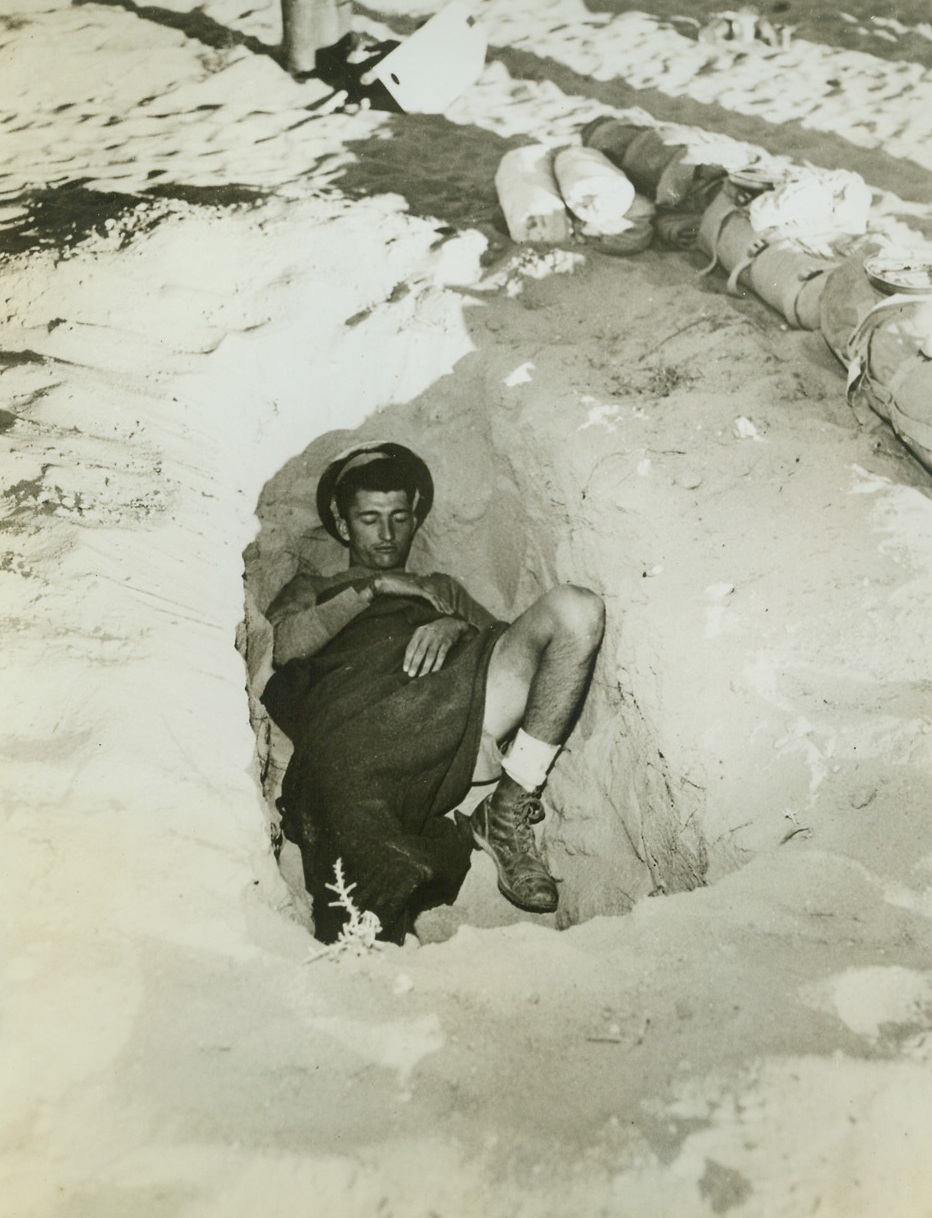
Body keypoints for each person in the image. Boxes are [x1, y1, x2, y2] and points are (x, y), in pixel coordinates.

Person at [261, 441, 605, 943]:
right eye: (370, 518)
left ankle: (507, 807)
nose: (387, 533)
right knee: (346, 820)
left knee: (577, 610)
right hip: (365, 725)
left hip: (455, 703)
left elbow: (517, 650)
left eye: (399, 517)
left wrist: (454, 626)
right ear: (342, 523)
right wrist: (376, 589)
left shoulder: (441, 587)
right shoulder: (314, 586)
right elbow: (285, 647)